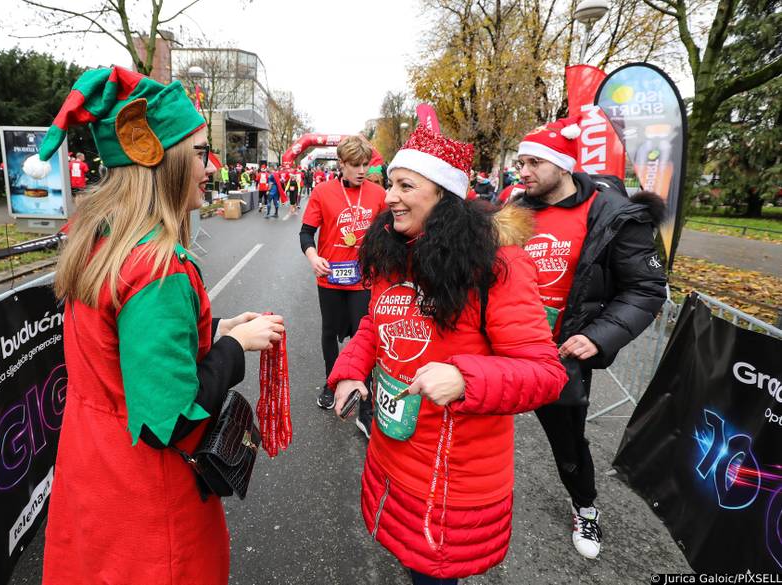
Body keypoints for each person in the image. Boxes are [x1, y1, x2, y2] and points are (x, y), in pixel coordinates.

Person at [29, 66, 284, 585]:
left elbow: (122, 358)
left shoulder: (102, 242)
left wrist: (210, 334)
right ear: (159, 162)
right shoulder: (157, 268)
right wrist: (233, 348)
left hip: (96, 471)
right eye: (197, 153)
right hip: (148, 501)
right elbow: (170, 419)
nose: (210, 167)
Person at [330, 123, 567, 584]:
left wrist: (465, 379)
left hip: (452, 478)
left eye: (405, 186)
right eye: (390, 184)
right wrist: (350, 369)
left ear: (445, 197)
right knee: (406, 558)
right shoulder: (394, 251)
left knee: (432, 575)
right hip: (391, 452)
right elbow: (375, 325)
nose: (390, 198)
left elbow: (546, 373)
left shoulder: (497, 266)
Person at [511, 116, 667, 559]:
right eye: (520, 162)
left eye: (533, 162)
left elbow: (647, 289)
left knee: (568, 442)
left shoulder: (612, 214)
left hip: (559, 355)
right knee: (476, 423)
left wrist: (598, 337)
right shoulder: (517, 211)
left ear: (562, 164)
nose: (523, 171)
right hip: (507, 347)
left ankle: (585, 506)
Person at [299, 136, 387, 437]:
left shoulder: (377, 194)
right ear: (342, 164)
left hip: (363, 279)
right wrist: (313, 257)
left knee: (364, 335)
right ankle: (331, 381)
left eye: (365, 164)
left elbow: (388, 233)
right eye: (356, 165)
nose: (362, 170)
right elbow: (306, 233)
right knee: (329, 332)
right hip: (331, 277)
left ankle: (365, 401)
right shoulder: (323, 192)